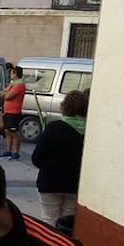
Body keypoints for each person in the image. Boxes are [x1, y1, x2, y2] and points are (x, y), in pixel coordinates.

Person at [31, 89, 89, 225]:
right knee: (67, 223)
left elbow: (36, 158)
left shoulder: (54, 128)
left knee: (49, 220)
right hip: (74, 184)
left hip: (49, 182)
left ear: (65, 107)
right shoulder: (89, 131)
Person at [0, 64, 26, 160]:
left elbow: (7, 96)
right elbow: (2, 92)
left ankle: (15, 152)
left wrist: (6, 92)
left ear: (15, 74)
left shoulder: (19, 85)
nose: (10, 75)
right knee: (7, 132)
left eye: (11, 73)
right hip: (7, 111)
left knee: (14, 133)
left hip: (14, 112)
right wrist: (6, 91)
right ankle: (8, 151)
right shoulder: (13, 84)